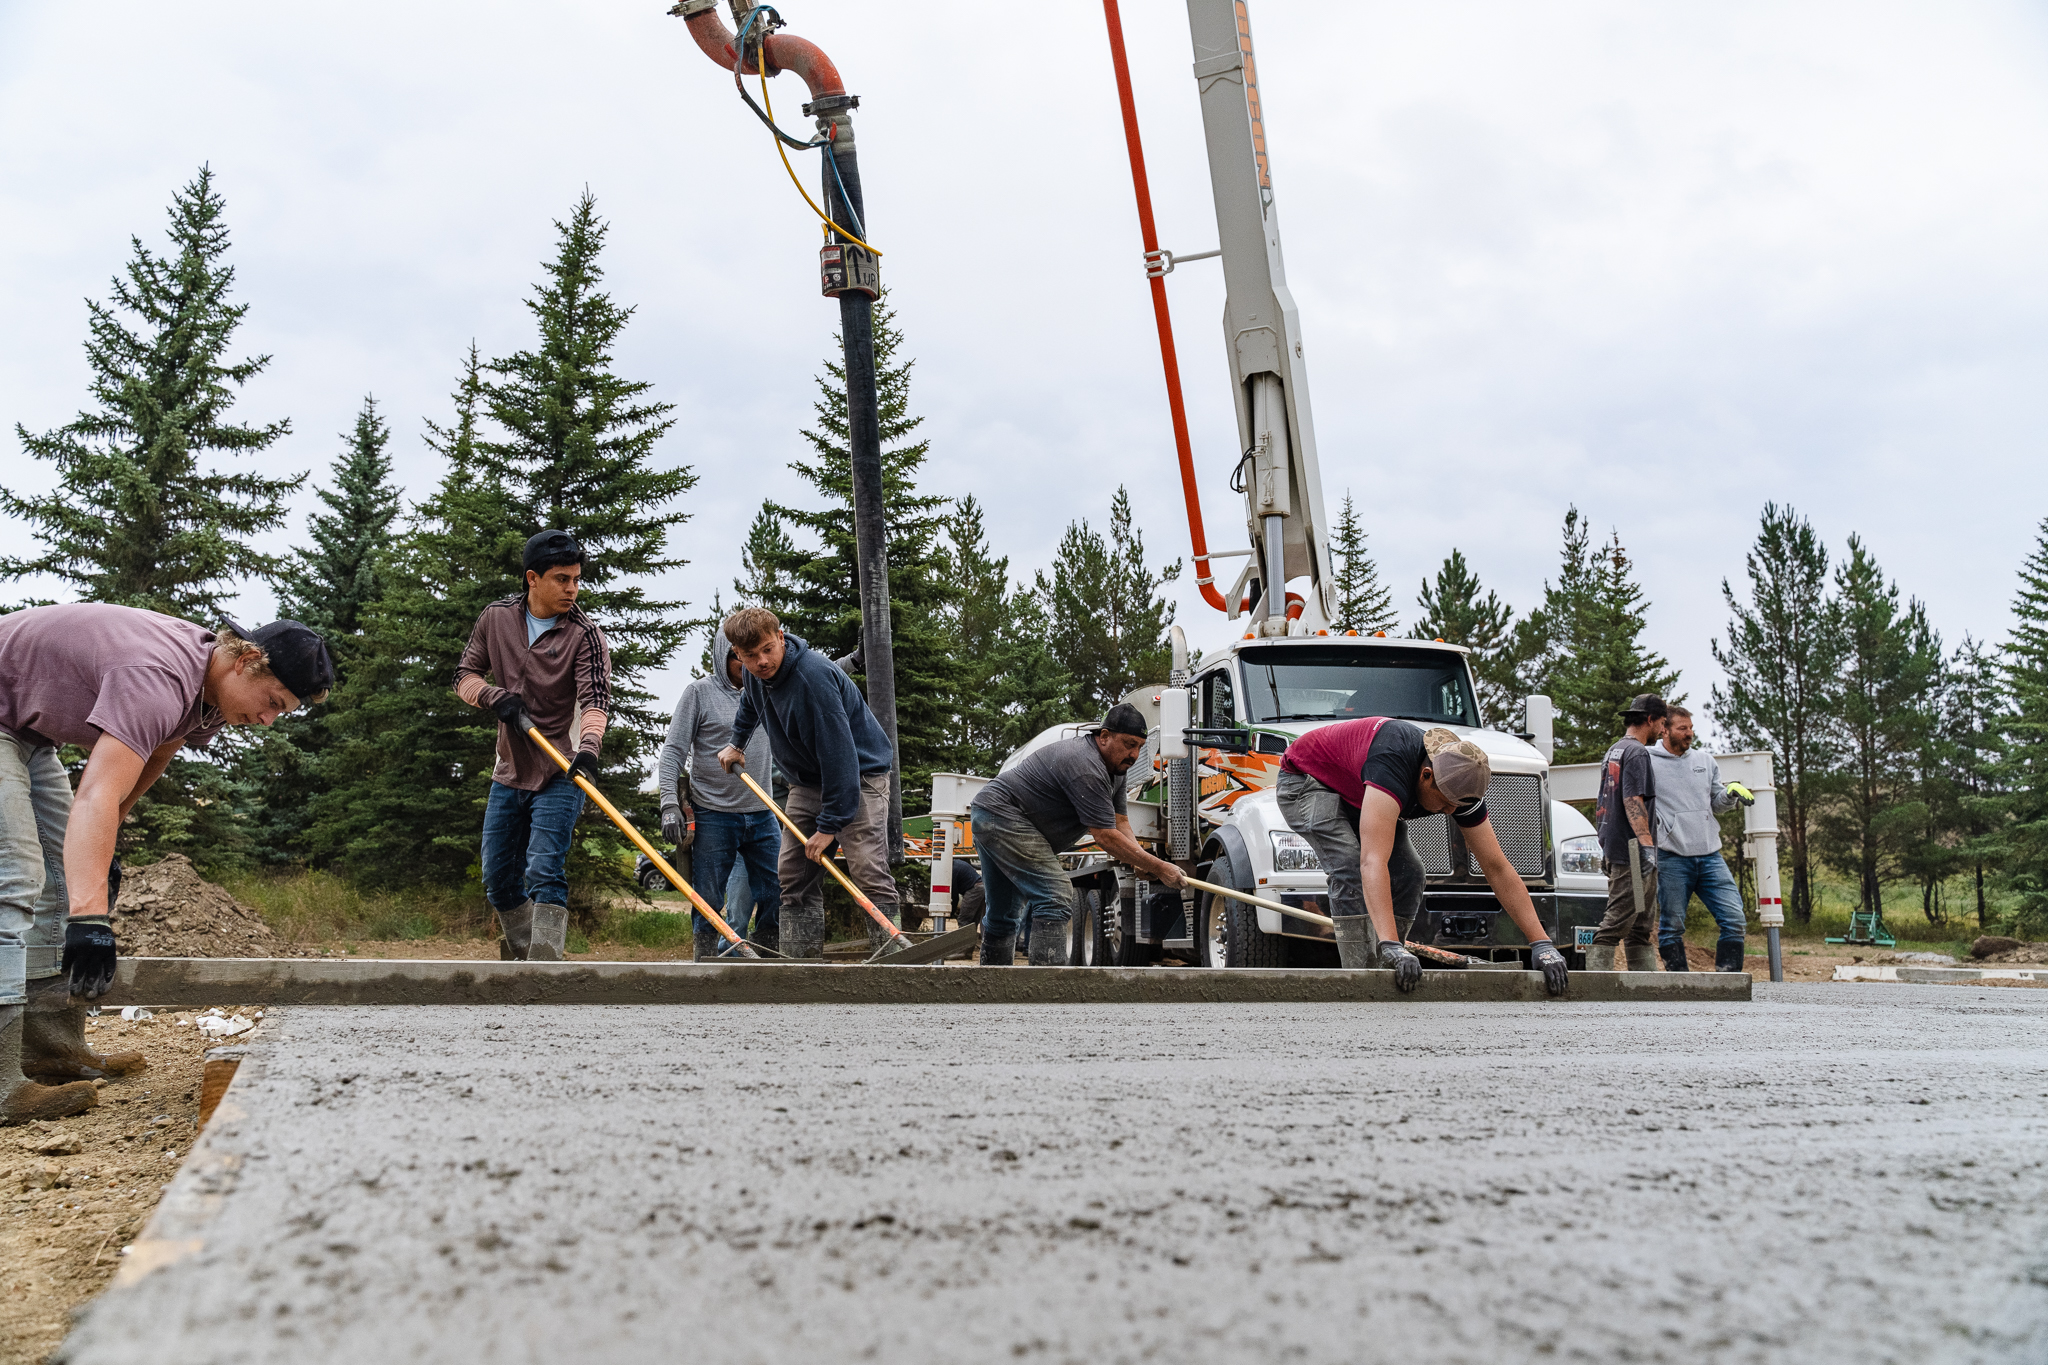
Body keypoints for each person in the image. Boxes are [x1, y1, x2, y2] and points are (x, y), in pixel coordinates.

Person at [0, 604, 332, 1124]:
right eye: (272, 702)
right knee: (16, 877)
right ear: (246, 661)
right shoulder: (157, 677)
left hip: (28, 732)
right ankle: (1, 1086)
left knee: (65, 881)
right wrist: (90, 918)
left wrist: (100, 855)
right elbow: (95, 795)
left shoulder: (207, 696)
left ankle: (48, 1048)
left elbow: (155, 753)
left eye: (282, 713)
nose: (268, 720)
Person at [1277, 717, 1569, 995]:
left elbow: (1496, 867)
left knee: (1410, 872)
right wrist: (1390, 942)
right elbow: (1372, 862)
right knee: (1350, 866)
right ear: (1426, 775)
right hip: (1306, 781)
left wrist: (1541, 944)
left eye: (1456, 807)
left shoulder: (1460, 782)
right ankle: (1362, 974)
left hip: (1353, 787)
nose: (1449, 813)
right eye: (1444, 804)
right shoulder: (1392, 763)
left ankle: (1389, 961)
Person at [455, 530, 612, 962]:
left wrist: (589, 749)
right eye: (562, 579)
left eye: (577, 579)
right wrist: (494, 697)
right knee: (498, 878)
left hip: (562, 768)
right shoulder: (496, 618)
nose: (572, 589)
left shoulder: (586, 636)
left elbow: (596, 702)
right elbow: (464, 676)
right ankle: (525, 953)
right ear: (532, 578)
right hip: (510, 770)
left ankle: (545, 965)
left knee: (544, 868)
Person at [717, 608, 898, 959]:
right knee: (794, 872)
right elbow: (750, 706)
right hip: (807, 782)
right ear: (738, 655)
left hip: (859, 776)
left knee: (866, 866)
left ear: (781, 637)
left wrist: (829, 826)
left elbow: (840, 758)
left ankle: (892, 959)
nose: (762, 661)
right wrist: (736, 742)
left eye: (768, 649)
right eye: (751, 656)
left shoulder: (812, 678)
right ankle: (802, 964)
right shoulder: (756, 675)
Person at [969, 704, 1185, 966]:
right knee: (1055, 894)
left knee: (1004, 912)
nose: (1134, 754)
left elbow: (1120, 822)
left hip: (992, 814)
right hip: (1002, 814)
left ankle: (992, 991)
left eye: (1140, 746)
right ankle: (1043, 992)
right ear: (1104, 736)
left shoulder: (1116, 770)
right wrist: (1159, 867)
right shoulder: (1086, 765)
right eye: (1129, 744)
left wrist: (1139, 859)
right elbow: (1105, 836)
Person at [657, 624, 780, 961]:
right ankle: (705, 960)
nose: (750, 663)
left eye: (757, 655)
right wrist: (670, 804)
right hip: (713, 813)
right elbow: (673, 752)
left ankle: (768, 952)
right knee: (708, 897)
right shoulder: (699, 693)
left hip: (761, 810)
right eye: (741, 657)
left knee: (776, 889)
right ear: (724, 656)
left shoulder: (769, 689)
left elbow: (814, 673)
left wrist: (855, 662)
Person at [1650, 705, 1753, 973]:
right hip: (1671, 856)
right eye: (1682, 728)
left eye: (1691, 728)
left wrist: (1730, 794)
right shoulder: (1647, 760)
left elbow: (1716, 804)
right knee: (1672, 927)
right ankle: (1680, 987)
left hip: (1710, 856)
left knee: (1734, 919)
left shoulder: (1705, 761)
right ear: (1665, 729)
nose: (1689, 734)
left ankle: (1727, 983)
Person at [1589, 693, 1667, 972]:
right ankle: (1595, 986)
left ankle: (1643, 989)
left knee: (1641, 923)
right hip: (1632, 850)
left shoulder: (1616, 749)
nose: (1663, 729)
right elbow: (1632, 800)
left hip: (1617, 843)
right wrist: (1646, 847)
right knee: (1618, 919)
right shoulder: (1637, 753)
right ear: (1650, 720)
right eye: (1661, 723)